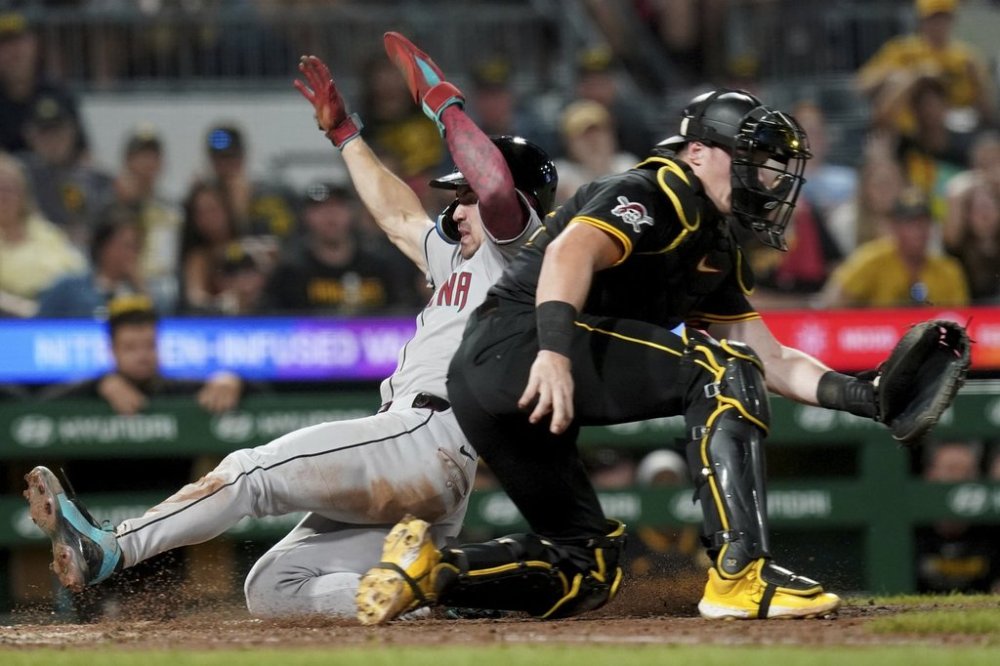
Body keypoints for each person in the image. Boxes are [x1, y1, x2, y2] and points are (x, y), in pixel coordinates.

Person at [23, 33, 557, 619]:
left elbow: (495, 186)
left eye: (464, 196)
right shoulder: (462, 257)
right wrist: (346, 135)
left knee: (248, 473)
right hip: (425, 458)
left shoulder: (522, 249)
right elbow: (395, 214)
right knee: (275, 587)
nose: (454, 208)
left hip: (427, 435)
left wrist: (443, 104)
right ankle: (434, 604)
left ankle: (110, 548)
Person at [355, 88, 913, 625]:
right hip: (522, 347)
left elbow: (770, 356)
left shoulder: (712, 245)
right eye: (750, 157)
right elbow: (570, 252)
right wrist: (551, 352)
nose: (764, 176)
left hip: (490, 383)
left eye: (768, 163)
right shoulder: (654, 190)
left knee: (586, 567)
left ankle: (430, 571)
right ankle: (741, 575)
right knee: (720, 370)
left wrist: (865, 395)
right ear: (697, 152)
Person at [39, 295, 244, 415]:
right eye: (130, 348)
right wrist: (100, 383)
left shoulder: (174, 389)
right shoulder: (92, 390)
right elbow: (37, 406)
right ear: (111, 350)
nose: (142, 355)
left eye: (150, 345)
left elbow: (263, 391)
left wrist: (230, 379)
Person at [260, 181, 422, 315]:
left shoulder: (380, 267)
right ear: (305, 216)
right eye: (320, 209)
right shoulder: (291, 272)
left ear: (352, 213)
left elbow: (401, 314)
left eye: (338, 207)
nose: (330, 216)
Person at [819, 187, 969, 308]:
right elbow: (832, 303)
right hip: (879, 340)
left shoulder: (948, 269)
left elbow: (959, 319)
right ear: (894, 227)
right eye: (910, 224)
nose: (919, 230)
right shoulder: (871, 259)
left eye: (924, 222)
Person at [0, 152, 85, 317]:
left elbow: (77, 267)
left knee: (78, 291)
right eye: (0, 190)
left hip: (59, 299)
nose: (5, 197)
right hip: (13, 310)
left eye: (11, 190)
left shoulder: (44, 230)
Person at [36, 204, 146, 319]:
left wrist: (141, 288)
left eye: (136, 246)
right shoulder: (68, 289)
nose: (132, 253)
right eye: (127, 246)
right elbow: (37, 328)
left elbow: (160, 330)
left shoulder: (138, 294)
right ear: (104, 246)